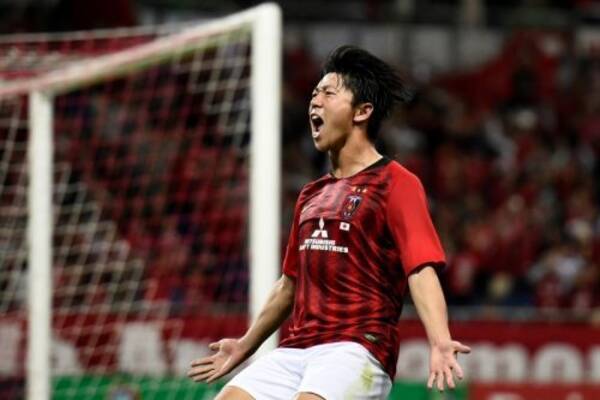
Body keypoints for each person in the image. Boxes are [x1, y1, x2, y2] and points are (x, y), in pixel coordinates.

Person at [188, 45, 471, 400]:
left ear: (362, 111)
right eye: (313, 94)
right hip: (296, 349)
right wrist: (246, 345)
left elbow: (420, 269)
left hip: (357, 348)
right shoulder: (311, 194)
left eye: (328, 93)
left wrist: (440, 341)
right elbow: (289, 284)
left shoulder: (396, 182)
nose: (315, 102)